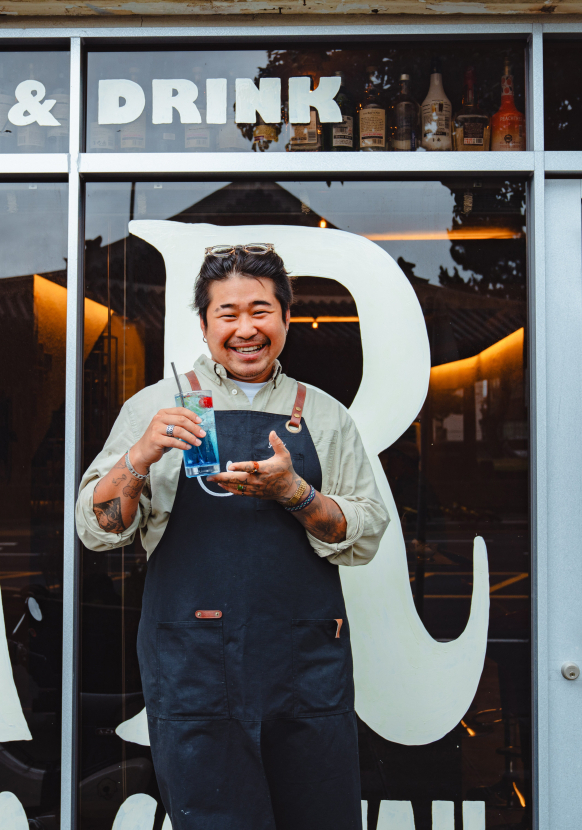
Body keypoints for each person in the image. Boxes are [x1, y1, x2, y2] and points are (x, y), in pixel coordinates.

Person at [76, 243, 389, 830]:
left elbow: (367, 532)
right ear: (203, 324)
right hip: (193, 667)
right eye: (228, 314)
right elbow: (97, 528)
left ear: (286, 318)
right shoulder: (154, 407)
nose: (246, 329)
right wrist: (142, 454)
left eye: (261, 311)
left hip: (304, 668)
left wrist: (295, 493)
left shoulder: (323, 416)